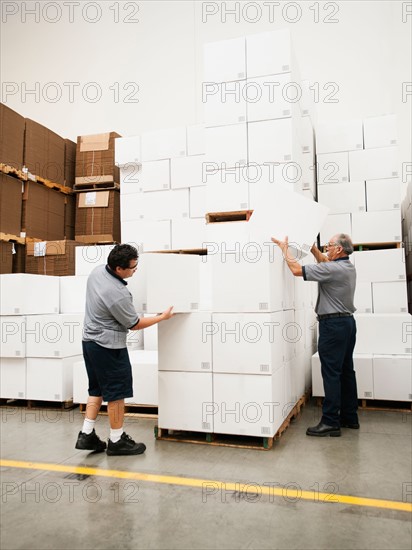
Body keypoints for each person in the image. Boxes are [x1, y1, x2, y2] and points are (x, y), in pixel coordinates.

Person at [75, 244, 174, 455]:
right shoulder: (118, 294)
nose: (135, 270)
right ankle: (117, 439)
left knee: (97, 389)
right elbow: (134, 324)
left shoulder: (97, 272)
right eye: (133, 267)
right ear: (119, 268)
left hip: (89, 342)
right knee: (116, 393)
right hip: (108, 347)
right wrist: (162, 317)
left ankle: (86, 434)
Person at [271, 233, 358, 437]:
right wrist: (313, 249)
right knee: (346, 371)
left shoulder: (332, 269)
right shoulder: (346, 267)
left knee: (331, 373)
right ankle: (349, 417)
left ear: (339, 249)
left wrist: (284, 249)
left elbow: (295, 270)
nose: (326, 248)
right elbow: (325, 261)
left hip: (332, 326)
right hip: (347, 324)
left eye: (329, 245)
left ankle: (330, 422)